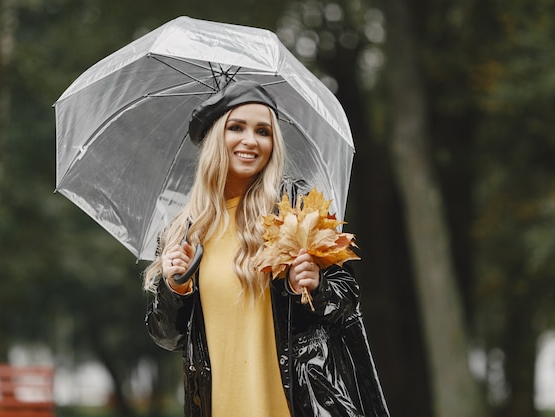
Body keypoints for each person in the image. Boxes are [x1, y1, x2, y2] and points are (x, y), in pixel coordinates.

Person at [143, 80, 389, 417]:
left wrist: (314, 286)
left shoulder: (296, 210)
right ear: (216, 137)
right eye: (236, 127)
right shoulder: (186, 232)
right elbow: (167, 336)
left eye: (263, 131)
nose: (250, 140)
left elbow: (347, 303)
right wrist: (175, 287)